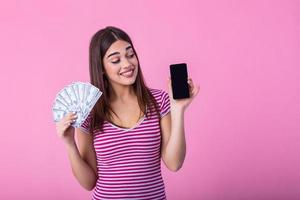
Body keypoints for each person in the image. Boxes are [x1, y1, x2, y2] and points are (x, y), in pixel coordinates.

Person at [55, 26, 199, 200]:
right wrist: (69, 143)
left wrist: (178, 109)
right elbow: (88, 182)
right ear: (101, 68)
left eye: (130, 55)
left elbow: (174, 163)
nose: (127, 64)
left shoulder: (159, 101)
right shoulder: (89, 112)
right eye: (116, 60)